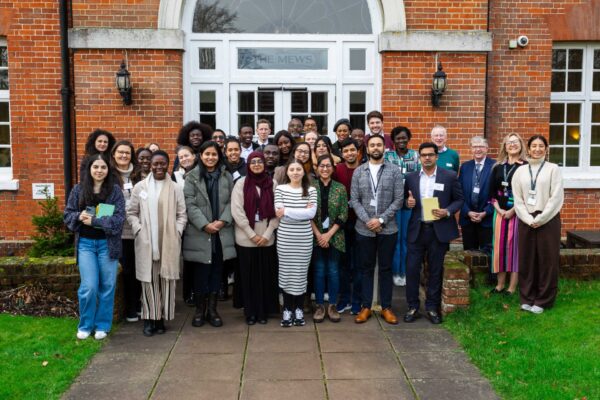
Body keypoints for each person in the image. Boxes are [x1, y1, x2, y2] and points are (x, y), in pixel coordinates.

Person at [64, 154, 125, 340]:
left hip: (107, 245)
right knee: (89, 286)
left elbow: (119, 220)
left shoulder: (115, 191)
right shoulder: (78, 190)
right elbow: (68, 215)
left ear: (108, 170)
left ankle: (102, 326)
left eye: (103, 167)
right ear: (89, 169)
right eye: (96, 167)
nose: (99, 170)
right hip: (86, 245)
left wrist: (95, 220)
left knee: (108, 285)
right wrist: (78, 217)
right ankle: (85, 325)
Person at [127, 151, 187, 336]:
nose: (159, 167)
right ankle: (148, 319)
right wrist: (138, 229)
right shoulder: (140, 187)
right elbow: (131, 212)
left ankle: (160, 319)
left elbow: (182, 214)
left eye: (163, 163)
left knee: (165, 283)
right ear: (150, 165)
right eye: (155, 164)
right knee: (148, 282)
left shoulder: (175, 188)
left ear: (168, 164)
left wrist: (177, 231)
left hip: (168, 242)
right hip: (147, 242)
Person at [404, 142, 464, 325]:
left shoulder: (450, 176)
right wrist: (408, 203)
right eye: (424, 155)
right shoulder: (411, 177)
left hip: (439, 230)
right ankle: (413, 306)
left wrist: (447, 211)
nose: (427, 158)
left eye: (431, 154)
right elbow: (404, 201)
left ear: (437, 156)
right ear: (419, 157)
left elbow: (460, 199)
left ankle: (431, 307)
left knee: (435, 270)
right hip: (418, 229)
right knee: (412, 269)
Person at [350, 135, 403, 325]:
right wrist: (368, 220)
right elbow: (354, 200)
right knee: (366, 268)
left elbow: (399, 199)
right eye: (372, 145)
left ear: (384, 148)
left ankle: (386, 307)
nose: (375, 147)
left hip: (388, 229)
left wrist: (380, 219)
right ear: (367, 148)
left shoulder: (394, 171)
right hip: (363, 229)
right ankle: (366, 307)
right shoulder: (359, 172)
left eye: (379, 144)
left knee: (386, 268)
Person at [183, 141, 236, 327]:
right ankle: (199, 310)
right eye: (207, 154)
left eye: (214, 154)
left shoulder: (226, 176)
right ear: (200, 156)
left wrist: (222, 221)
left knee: (216, 273)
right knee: (200, 273)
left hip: (221, 232)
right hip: (200, 233)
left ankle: (213, 311)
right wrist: (205, 224)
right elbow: (189, 204)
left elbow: (233, 201)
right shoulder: (191, 177)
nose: (210, 158)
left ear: (219, 155)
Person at [512, 135, 563, 314]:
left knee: (547, 260)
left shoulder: (553, 169)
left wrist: (541, 218)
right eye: (534, 146)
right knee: (527, 259)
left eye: (541, 146)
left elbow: (556, 197)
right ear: (528, 148)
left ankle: (543, 299)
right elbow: (517, 199)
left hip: (548, 220)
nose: (537, 149)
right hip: (526, 219)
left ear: (546, 149)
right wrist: (527, 218)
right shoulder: (520, 171)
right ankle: (527, 297)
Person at [231, 151, 280, 324]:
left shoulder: (272, 183)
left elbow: (277, 211)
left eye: (260, 161)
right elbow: (237, 211)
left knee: (264, 277)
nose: (257, 164)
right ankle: (250, 312)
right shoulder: (240, 183)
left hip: (267, 239)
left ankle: (263, 311)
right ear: (248, 164)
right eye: (253, 162)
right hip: (246, 239)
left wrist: (267, 234)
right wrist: (252, 235)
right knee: (248, 278)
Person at [275, 159, 318, 327]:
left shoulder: (311, 190)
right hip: (285, 238)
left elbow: (311, 214)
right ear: (287, 172)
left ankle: (299, 308)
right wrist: (299, 211)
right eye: (291, 169)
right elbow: (279, 213)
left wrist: (287, 210)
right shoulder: (280, 189)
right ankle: (287, 309)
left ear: (303, 171)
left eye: (298, 169)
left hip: (304, 238)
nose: (295, 172)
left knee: (301, 273)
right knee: (286, 272)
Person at [488, 133, 528, 295]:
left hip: (518, 214)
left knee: (514, 249)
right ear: (505, 146)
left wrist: (512, 211)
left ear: (521, 145)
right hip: (499, 214)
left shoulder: (525, 167)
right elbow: (491, 193)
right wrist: (500, 210)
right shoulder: (498, 167)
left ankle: (512, 287)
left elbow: (526, 194)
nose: (512, 145)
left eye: (515, 142)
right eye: (509, 143)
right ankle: (500, 285)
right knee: (499, 248)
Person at [311, 154, 348, 323]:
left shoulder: (340, 188)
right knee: (318, 271)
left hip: (335, 236)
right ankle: (319, 306)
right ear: (317, 168)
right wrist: (319, 235)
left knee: (333, 271)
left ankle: (332, 305)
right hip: (314, 236)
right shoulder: (310, 187)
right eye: (321, 166)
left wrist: (328, 235)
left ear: (333, 168)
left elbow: (343, 214)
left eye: (328, 166)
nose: (325, 169)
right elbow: (307, 213)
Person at [384, 126, 420, 287]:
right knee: (394, 240)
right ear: (393, 140)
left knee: (406, 239)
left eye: (404, 137)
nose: (401, 141)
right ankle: (394, 272)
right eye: (398, 138)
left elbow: (419, 178)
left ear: (409, 138)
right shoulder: (388, 156)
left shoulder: (415, 156)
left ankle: (404, 272)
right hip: (392, 203)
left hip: (409, 203)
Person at [110, 140, 141, 322]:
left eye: (127, 153)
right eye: (120, 152)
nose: (123, 156)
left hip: (139, 229)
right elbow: (103, 205)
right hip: (121, 232)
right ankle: (130, 308)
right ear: (114, 154)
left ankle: (139, 304)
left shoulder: (139, 175)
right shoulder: (109, 176)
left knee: (140, 270)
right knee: (128, 271)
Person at [335, 138, 362, 315]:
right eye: (346, 151)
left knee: (359, 264)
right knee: (343, 264)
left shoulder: (365, 169)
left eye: (352, 150)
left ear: (358, 151)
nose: (349, 153)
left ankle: (356, 301)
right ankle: (344, 298)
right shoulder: (337, 170)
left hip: (361, 222)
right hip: (342, 223)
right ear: (342, 154)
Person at [458, 137, 495, 255]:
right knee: (469, 254)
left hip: (487, 218)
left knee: (488, 255)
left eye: (481, 146)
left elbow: (497, 194)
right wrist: (467, 212)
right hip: (468, 219)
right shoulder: (465, 167)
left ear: (487, 149)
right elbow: (459, 193)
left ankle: (488, 275)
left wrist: (485, 212)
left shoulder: (495, 166)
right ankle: (471, 274)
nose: (478, 149)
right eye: (474, 146)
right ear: (471, 149)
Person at [172, 145, 198, 306]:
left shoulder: (201, 173)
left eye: (187, 155)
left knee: (197, 259)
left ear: (194, 156)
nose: (184, 159)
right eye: (181, 157)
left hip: (198, 221)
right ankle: (188, 293)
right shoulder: (174, 176)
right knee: (186, 259)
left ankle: (198, 291)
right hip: (182, 221)